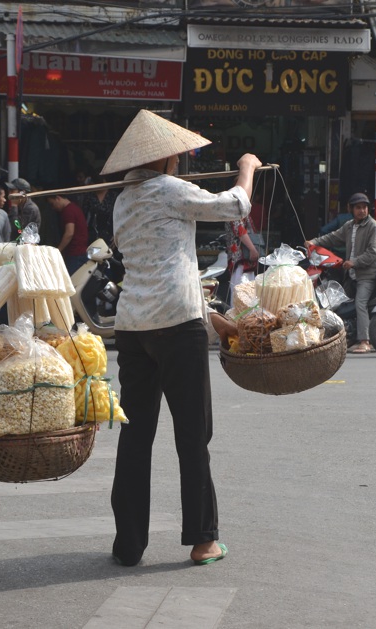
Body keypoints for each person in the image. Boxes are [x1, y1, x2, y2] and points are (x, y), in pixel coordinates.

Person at [102, 109, 261, 567]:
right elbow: (235, 207)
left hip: (133, 327)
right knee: (193, 435)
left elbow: (159, 263)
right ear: (168, 157)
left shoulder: (122, 201)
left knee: (137, 437)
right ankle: (204, 539)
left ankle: (128, 545)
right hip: (176, 327)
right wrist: (246, 168)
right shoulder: (172, 190)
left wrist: (211, 315)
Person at [306, 192, 376, 353]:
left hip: (367, 275)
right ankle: (339, 337)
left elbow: (372, 252)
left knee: (359, 303)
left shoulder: (373, 226)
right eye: (358, 208)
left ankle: (365, 341)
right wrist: (314, 242)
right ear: (351, 209)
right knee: (339, 303)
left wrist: (354, 262)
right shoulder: (349, 226)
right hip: (351, 275)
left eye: (364, 207)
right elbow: (333, 237)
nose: (362, 211)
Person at [45, 193, 89, 275]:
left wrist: (59, 249)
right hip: (79, 252)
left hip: (75, 254)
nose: (53, 208)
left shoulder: (68, 211)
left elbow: (69, 232)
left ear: (58, 198)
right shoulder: (75, 208)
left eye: (52, 204)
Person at [80, 176, 119, 246]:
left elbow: (120, 215)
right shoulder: (89, 196)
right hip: (93, 235)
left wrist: (118, 233)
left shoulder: (114, 196)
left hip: (111, 233)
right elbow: (83, 216)